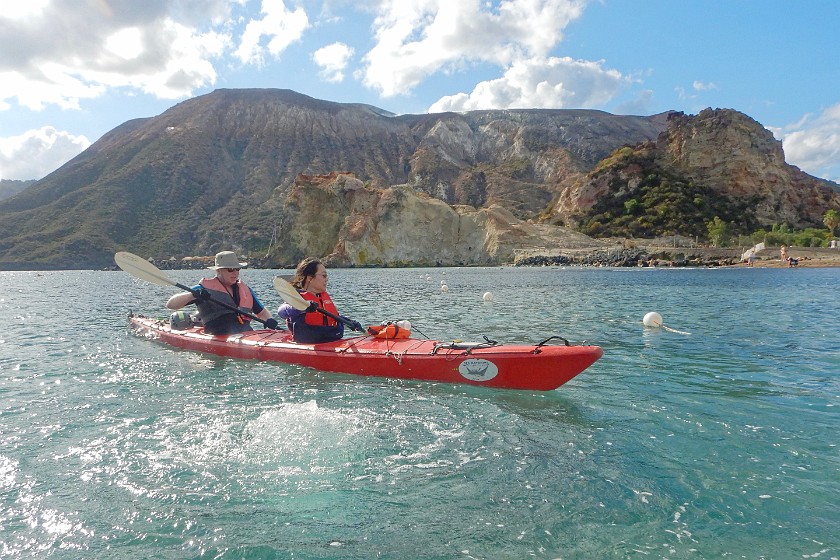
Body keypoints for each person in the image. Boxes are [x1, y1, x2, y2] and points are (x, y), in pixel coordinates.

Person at [166, 251, 278, 335]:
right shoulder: (203, 289)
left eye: (237, 269)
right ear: (218, 270)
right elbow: (171, 304)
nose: (235, 273)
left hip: (245, 335)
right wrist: (193, 295)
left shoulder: (245, 290)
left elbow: (262, 313)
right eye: (230, 269)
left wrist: (269, 320)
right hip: (218, 335)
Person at [277, 257, 361, 343]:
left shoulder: (322, 297)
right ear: (310, 278)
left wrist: (349, 322)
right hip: (308, 343)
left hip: (332, 339)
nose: (326, 279)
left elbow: (331, 316)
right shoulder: (298, 298)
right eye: (324, 276)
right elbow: (281, 312)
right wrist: (302, 307)